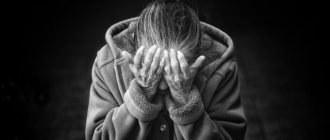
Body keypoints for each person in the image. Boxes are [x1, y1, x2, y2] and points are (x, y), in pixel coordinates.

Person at [85, 0, 247, 139]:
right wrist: (140, 97)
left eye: (175, 70)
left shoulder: (222, 68)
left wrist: (186, 102)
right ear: (135, 50)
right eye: (153, 68)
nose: (162, 86)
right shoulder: (106, 63)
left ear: (199, 55)